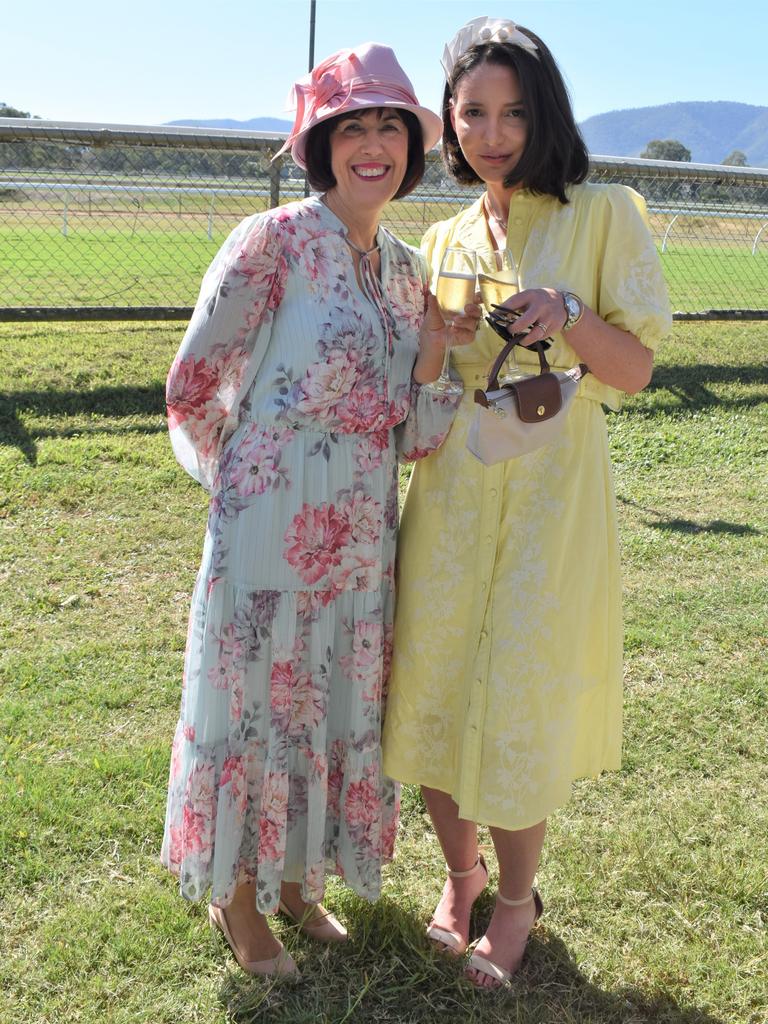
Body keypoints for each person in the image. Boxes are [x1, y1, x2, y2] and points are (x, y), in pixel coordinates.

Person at [161, 42, 479, 979]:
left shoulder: (409, 270)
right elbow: (195, 383)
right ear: (321, 145)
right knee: (256, 699)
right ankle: (239, 896)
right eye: (353, 128)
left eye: (390, 126)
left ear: (411, 151)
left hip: (363, 527)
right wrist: (244, 484)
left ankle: (300, 882)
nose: (373, 145)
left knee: (329, 697)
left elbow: (418, 429)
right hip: (269, 517)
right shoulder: (272, 243)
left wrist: (430, 351)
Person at [382, 16, 672, 990]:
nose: (493, 132)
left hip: (552, 505)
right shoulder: (443, 235)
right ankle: (457, 879)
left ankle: (514, 903)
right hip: (452, 498)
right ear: (449, 123)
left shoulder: (606, 213)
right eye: (473, 112)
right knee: (428, 687)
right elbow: (426, 388)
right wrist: (435, 332)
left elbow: (632, 371)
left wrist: (572, 313)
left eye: (512, 111)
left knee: (515, 702)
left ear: (544, 111)